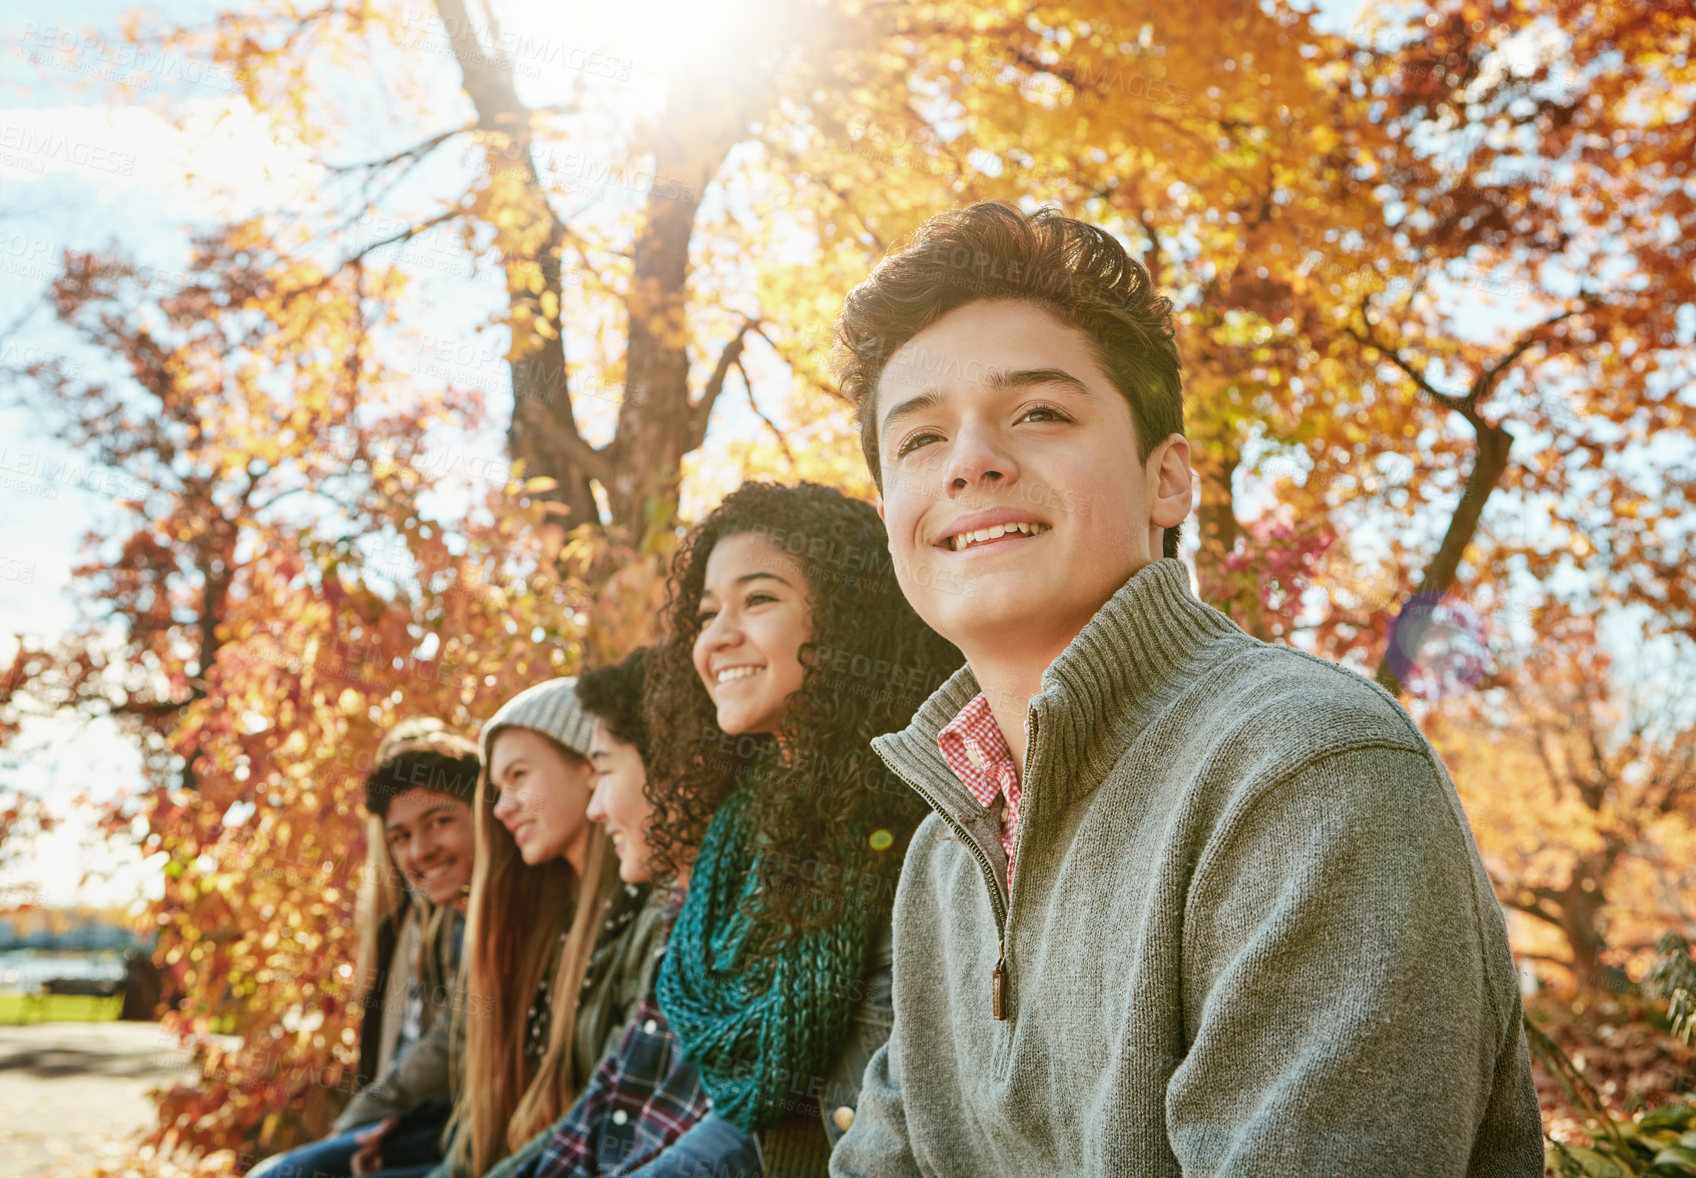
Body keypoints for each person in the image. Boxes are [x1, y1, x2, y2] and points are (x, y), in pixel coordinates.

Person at [826, 201, 1545, 1176]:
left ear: (1167, 482)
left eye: (1038, 411)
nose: (969, 462)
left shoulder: (1305, 769)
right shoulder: (941, 863)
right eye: (917, 440)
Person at [610, 481, 959, 1177]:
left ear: (848, 617)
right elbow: (757, 1127)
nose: (718, 637)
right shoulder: (746, 834)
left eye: (759, 599)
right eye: (707, 614)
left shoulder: (927, 822)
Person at [435, 677, 670, 1178]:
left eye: (518, 775)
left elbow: (611, 1105)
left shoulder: (651, 919)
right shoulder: (544, 929)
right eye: (496, 791)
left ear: (589, 765)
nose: (501, 808)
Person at [249, 720, 481, 1178]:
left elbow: (454, 1044)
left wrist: (367, 1119)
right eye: (401, 837)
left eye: (439, 821)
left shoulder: (493, 917)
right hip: (430, 1121)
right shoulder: (432, 916)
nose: (421, 850)